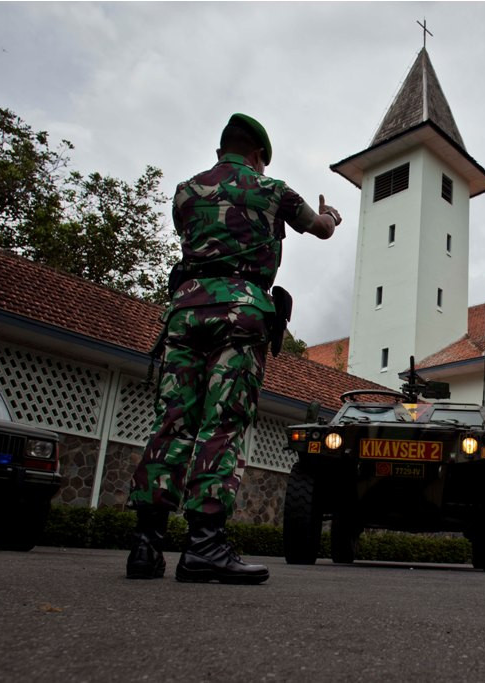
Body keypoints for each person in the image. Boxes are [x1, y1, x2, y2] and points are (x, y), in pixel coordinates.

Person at [125, 113, 341, 583]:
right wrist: (331, 217)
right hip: (239, 314)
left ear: (222, 148)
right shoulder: (272, 190)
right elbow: (319, 228)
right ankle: (204, 545)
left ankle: (145, 546)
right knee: (221, 423)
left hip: (184, 313)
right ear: (259, 155)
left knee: (172, 421)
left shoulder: (185, 192)